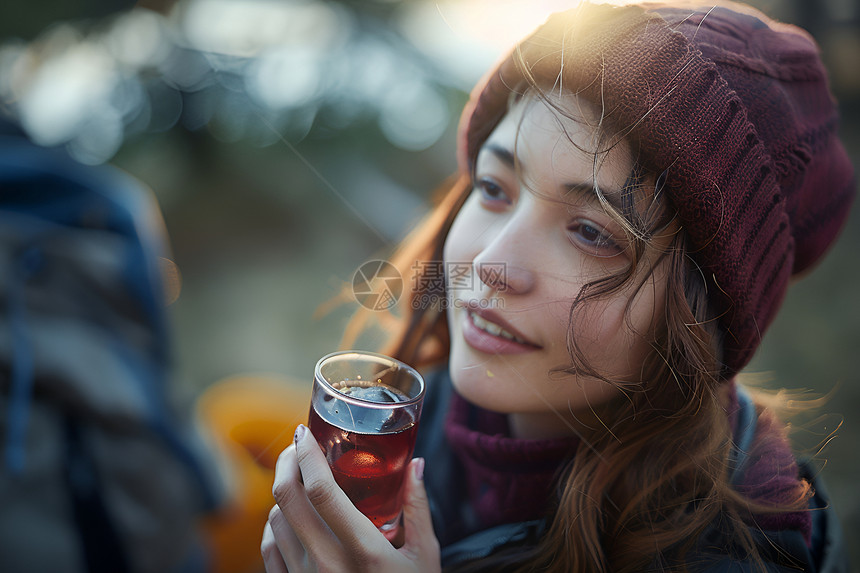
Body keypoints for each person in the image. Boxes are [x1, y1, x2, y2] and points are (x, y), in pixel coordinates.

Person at [261, 1, 855, 571]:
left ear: (697, 316)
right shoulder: (429, 405)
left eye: (592, 232)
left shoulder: (724, 556)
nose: (490, 264)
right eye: (494, 189)